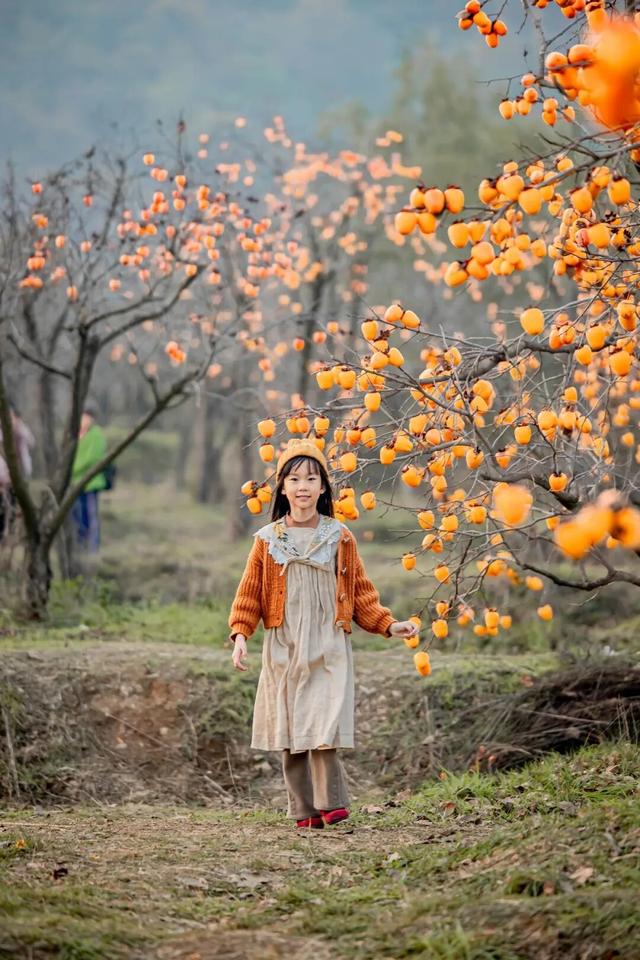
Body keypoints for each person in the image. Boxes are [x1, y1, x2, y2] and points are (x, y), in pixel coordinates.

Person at [227, 437, 418, 831]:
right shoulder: (267, 540)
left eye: (311, 479)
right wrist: (241, 634)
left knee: (324, 719)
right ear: (282, 487)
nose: (302, 486)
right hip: (284, 640)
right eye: (294, 479)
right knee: (291, 723)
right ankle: (303, 810)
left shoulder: (339, 536)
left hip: (328, 639)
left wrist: (387, 623)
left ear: (323, 487)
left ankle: (330, 802)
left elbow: (361, 592)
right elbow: (249, 594)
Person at [71, 404, 108, 553]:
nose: (84, 421)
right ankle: (80, 545)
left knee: (91, 515)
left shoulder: (96, 434)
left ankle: (93, 548)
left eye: (87, 418)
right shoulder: (76, 434)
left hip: (91, 482)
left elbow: (92, 458)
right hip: (76, 483)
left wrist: (73, 470)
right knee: (78, 516)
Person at [0, 405, 35, 542]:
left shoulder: (21, 431)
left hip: (19, 475)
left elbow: (32, 442)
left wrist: (19, 426)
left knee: (15, 505)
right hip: (3, 477)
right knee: (3, 505)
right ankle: (3, 535)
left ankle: (12, 535)